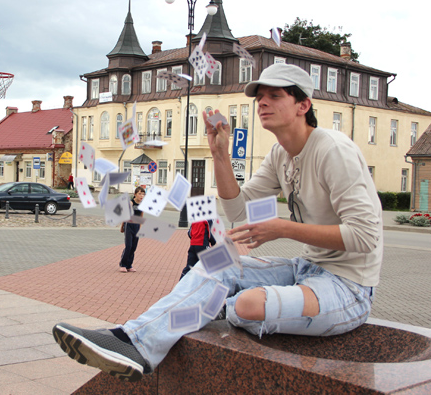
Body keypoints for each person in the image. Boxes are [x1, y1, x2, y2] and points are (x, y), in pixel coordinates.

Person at [52, 63, 383, 382]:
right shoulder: (280, 154)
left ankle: (213, 307)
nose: (263, 102)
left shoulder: (332, 150)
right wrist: (220, 156)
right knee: (215, 262)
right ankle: (134, 342)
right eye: (259, 96)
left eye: (275, 95)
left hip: (349, 288)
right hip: (307, 269)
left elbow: (366, 236)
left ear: (303, 105)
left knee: (246, 305)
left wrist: (282, 228)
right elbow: (239, 212)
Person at [119, 186, 146, 273]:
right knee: (129, 246)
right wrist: (122, 226)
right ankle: (123, 264)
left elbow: (141, 215)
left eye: (143, 194)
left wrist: (140, 227)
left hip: (137, 226)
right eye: (139, 194)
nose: (141, 196)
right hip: (129, 225)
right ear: (135, 194)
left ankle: (129, 265)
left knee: (134, 247)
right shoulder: (131, 203)